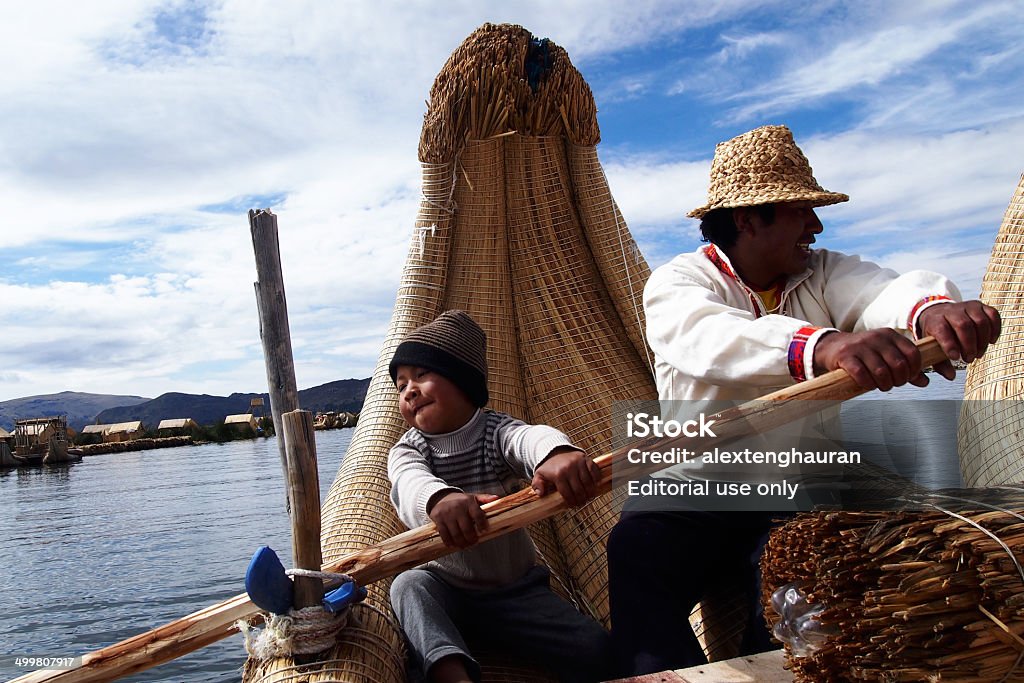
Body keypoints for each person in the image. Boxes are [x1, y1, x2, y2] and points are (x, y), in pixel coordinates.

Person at [607, 124, 1001, 676]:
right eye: (800, 210)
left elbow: (881, 290)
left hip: (791, 491)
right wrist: (826, 346)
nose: (815, 226)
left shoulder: (822, 272)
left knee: (795, 602)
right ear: (748, 219)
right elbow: (706, 338)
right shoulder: (681, 281)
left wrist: (931, 313)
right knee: (636, 549)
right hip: (693, 488)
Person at [387, 309, 611, 683]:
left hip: (515, 593)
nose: (409, 389)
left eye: (422, 375)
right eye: (401, 384)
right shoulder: (410, 449)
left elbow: (528, 439)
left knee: (597, 649)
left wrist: (556, 454)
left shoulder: (495, 431)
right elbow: (407, 482)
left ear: (462, 381)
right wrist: (439, 500)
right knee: (408, 586)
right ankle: (449, 670)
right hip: (448, 589)